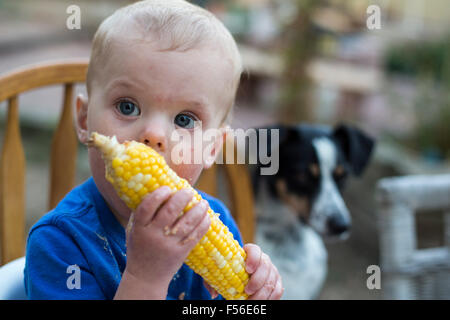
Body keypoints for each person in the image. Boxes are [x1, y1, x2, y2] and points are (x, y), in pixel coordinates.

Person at [25, 0, 283, 300]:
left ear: (212, 147)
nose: (153, 135)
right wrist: (145, 278)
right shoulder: (60, 243)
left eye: (184, 120)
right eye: (127, 107)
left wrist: (254, 297)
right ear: (84, 120)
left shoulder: (217, 220)